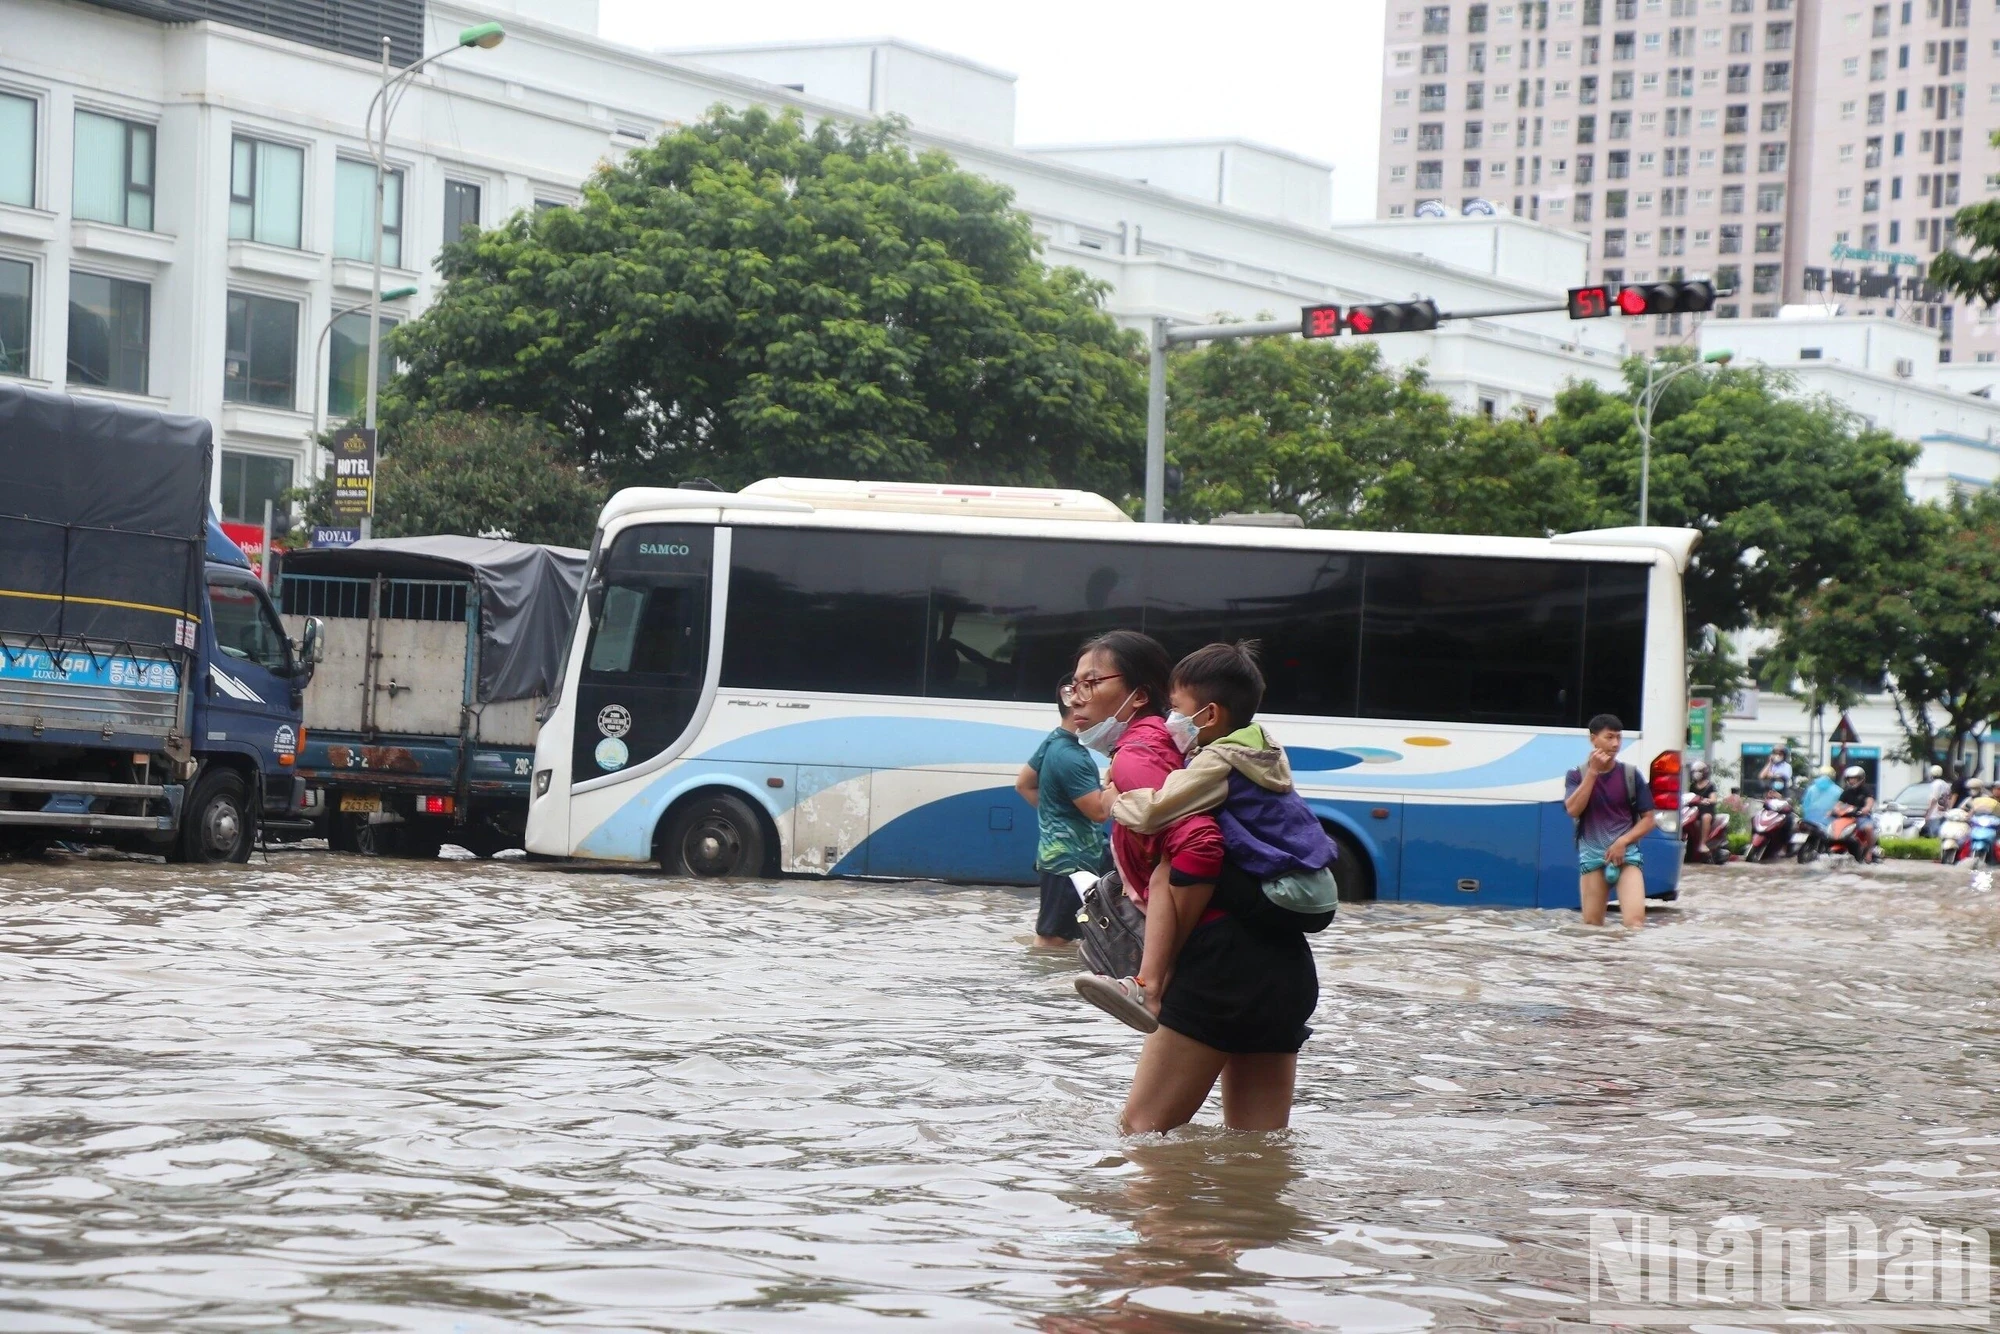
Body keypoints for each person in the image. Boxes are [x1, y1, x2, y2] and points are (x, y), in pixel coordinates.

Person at [1064, 630, 1316, 1135]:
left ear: (1139, 695)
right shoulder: (1223, 753)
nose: (1076, 696)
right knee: (1256, 1156)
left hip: (1218, 966)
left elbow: (1198, 841)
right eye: (1073, 683)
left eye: (1092, 682)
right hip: (1283, 967)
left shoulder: (1141, 755)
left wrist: (1119, 803)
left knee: (1141, 1138)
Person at [1103, 641, 1338, 939]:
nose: (1169, 718)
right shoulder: (1261, 745)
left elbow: (1154, 812)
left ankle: (1153, 975)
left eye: (1175, 708)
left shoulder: (1218, 762)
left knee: (1168, 870)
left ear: (1210, 715)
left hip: (1285, 896)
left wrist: (1115, 800)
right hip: (1318, 892)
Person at [1015, 676, 1112, 947]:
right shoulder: (1072, 757)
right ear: (1073, 702)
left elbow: (1023, 784)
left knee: (1069, 935)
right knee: (1052, 939)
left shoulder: (1054, 742)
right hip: (1070, 861)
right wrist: (1118, 778)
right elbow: (1099, 813)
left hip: (1060, 857)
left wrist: (1058, 814)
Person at [1563, 713, 1655, 929]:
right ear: (1593, 739)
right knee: (1592, 925)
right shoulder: (1576, 775)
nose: (1615, 744)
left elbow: (1649, 819)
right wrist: (1593, 772)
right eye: (1609, 737)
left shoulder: (1630, 775)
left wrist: (1623, 841)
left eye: (1619, 738)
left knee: (1635, 923)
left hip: (1627, 856)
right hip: (1593, 857)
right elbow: (1573, 810)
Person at [1835, 765, 1877, 859]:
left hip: (1862, 817)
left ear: (1861, 779)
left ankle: (1869, 850)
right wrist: (1835, 810)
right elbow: (1838, 804)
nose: (1851, 781)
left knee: (1869, 828)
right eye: (1850, 778)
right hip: (1847, 818)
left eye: (1854, 778)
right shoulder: (1846, 792)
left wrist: (1866, 808)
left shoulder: (1866, 791)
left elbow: (1869, 802)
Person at [1686, 759, 1722, 858]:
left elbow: (1713, 799)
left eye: (1698, 771)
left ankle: (1703, 843)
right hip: (1694, 810)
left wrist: (1703, 800)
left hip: (1706, 810)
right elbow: (1689, 797)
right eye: (1694, 772)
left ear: (1704, 772)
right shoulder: (1692, 786)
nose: (1696, 774)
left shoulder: (1710, 786)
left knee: (1706, 817)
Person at [1922, 764, 1952, 839]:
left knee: (1934, 835)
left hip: (1935, 814)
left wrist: (1927, 813)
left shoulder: (1935, 784)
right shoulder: (1946, 784)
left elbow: (1934, 799)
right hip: (1944, 813)